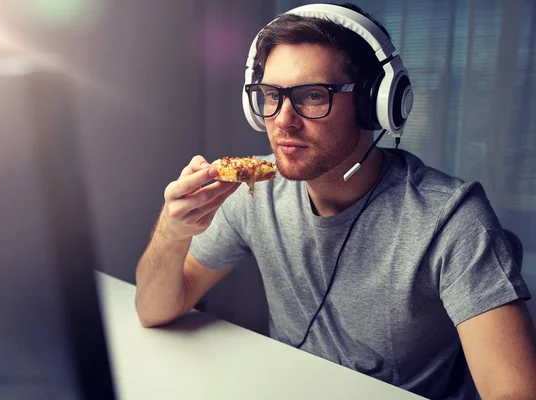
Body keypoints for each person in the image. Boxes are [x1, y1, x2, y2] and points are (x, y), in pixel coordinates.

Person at [135, 2, 536, 399]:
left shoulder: (452, 220)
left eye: (312, 96)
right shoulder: (252, 192)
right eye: (270, 94)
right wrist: (172, 233)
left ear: (373, 104)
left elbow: (514, 391)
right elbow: (154, 309)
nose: (282, 119)